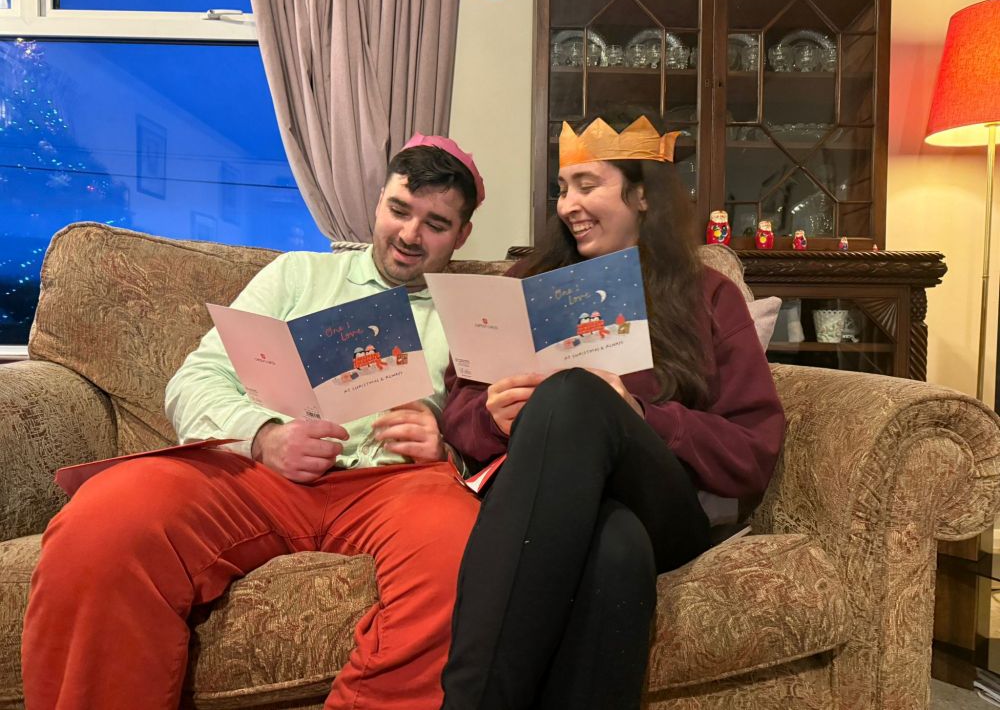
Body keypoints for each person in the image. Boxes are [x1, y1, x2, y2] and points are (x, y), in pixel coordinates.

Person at [21, 134, 486, 710]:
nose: (411, 235)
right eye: (399, 210)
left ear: (462, 235)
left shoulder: (475, 311)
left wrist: (445, 446)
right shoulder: (296, 276)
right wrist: (263, 436)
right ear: (377, 205)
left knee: (464, 553)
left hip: (396, 485)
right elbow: (194, 381)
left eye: (436, 224)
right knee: (106, 517)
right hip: (259, 477)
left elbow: (497, 431)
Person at [439, 115, 786, 709]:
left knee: (577, 394)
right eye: (562, 188)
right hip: (548, 507)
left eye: (586, 185)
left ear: (642, 193)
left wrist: (641, 415)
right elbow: (458, 408)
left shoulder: (707, 294)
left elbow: (752, 449)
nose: (568, 204)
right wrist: (489, 418)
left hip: (668, 505)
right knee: (615, 548)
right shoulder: (527, 283)